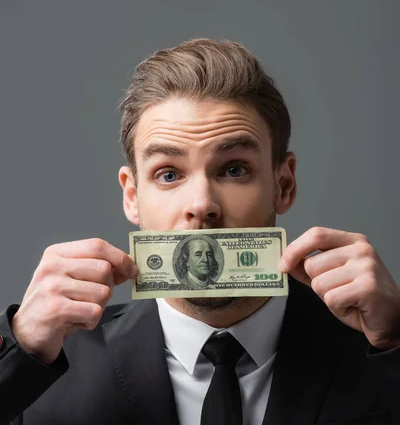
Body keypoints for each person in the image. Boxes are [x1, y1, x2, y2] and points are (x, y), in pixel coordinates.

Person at [0, 38, 399, 425]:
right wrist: (19, 350)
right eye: (169, 174)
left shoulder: (376, 345)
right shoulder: (49, 364)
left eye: (234, 169)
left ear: (284, 185)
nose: (202, 204)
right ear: (132, 197)